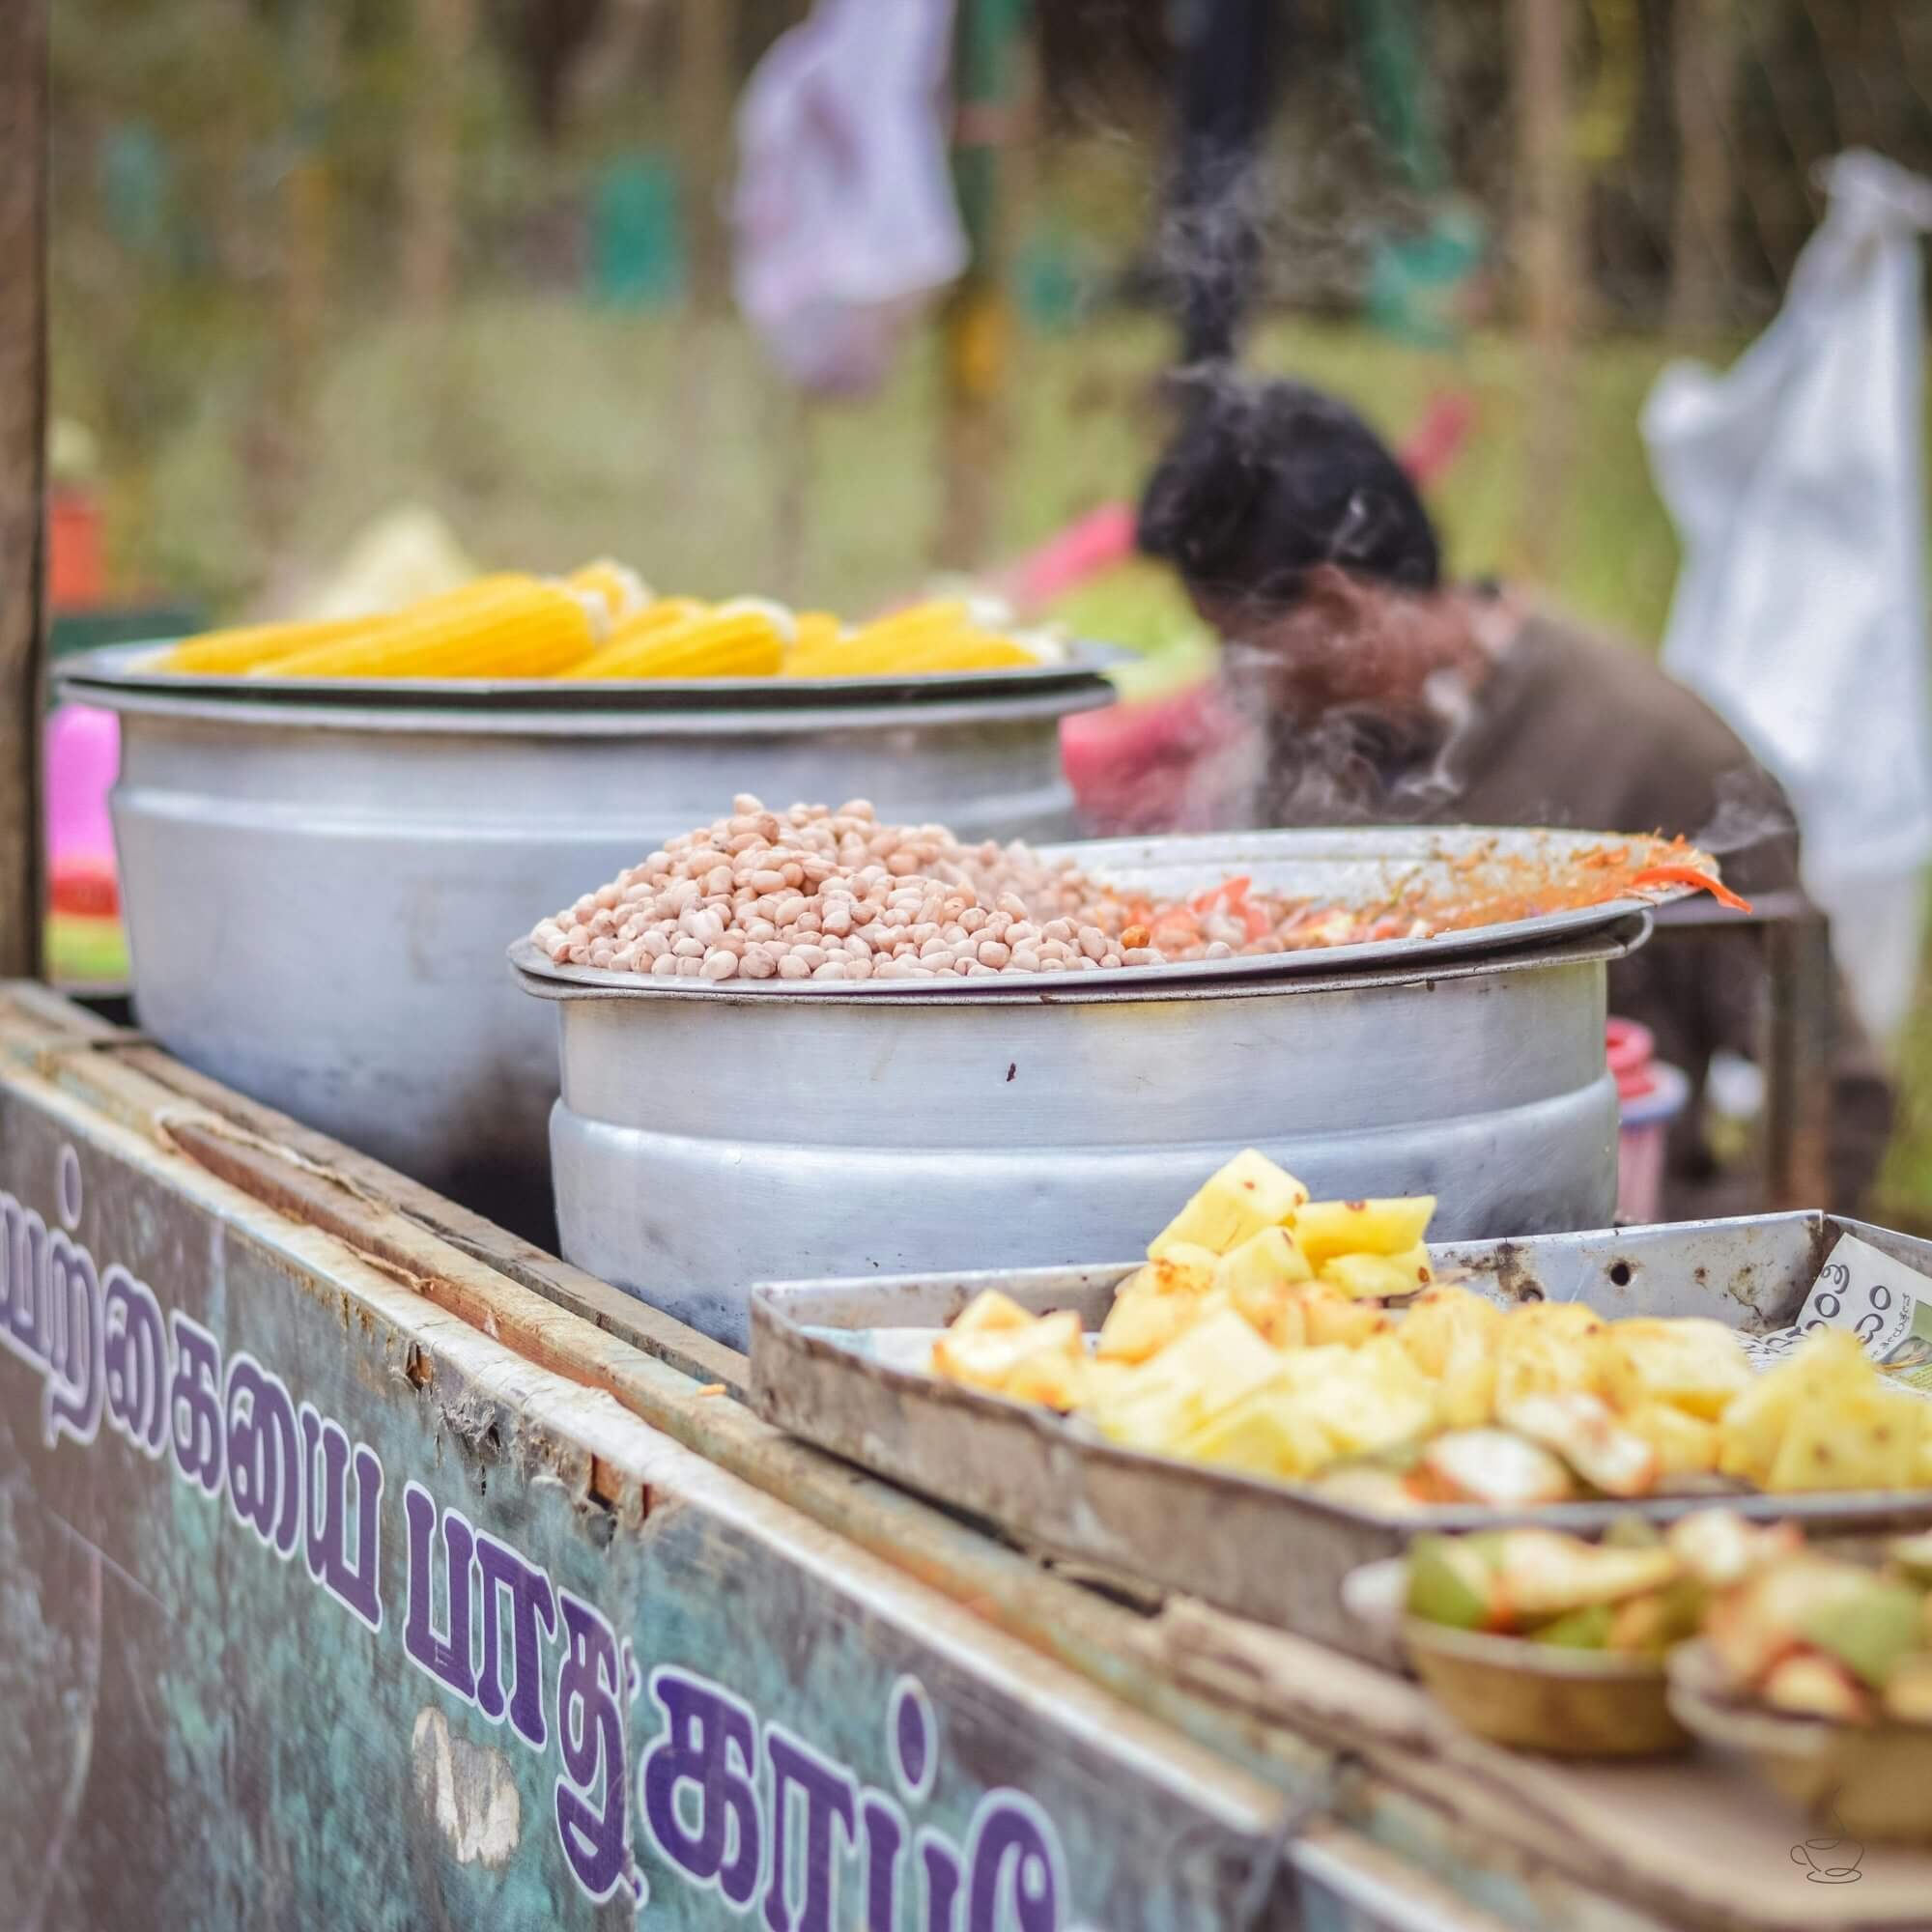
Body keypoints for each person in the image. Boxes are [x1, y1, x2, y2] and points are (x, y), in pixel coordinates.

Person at [1135, 376, 1894, 1218]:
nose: (1241, 683)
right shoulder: (1304, 746)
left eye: (1248, 648)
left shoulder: (1653, 752)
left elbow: (1835, 1094)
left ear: (1337, 602)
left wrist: (1698, 1275)